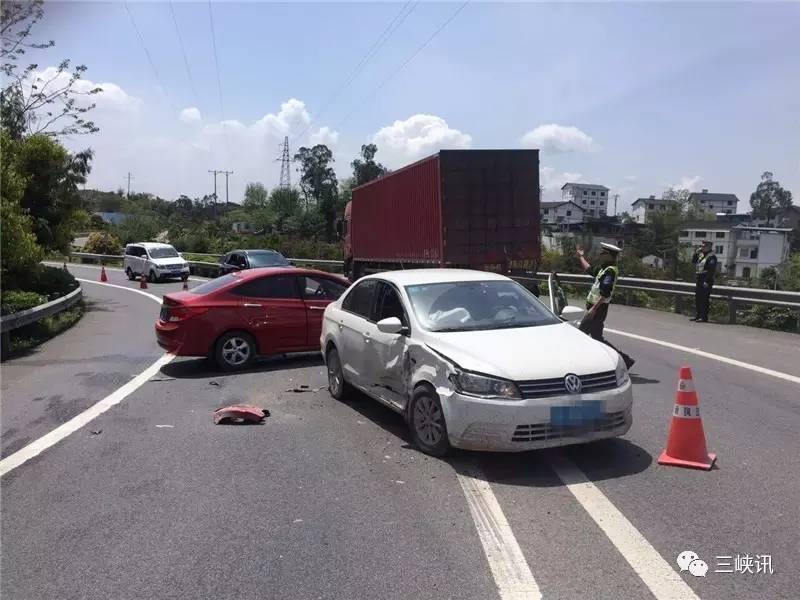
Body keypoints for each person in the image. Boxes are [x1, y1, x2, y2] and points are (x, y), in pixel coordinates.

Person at [576, 243, 635, 369]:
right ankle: (624, 360)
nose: (601, 255)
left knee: (581, 335)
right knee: (596, 337)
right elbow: (589, 269)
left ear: (610, 255)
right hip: (596, 308)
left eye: (603, 253)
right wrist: (581, 256)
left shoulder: (610, 271)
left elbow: (605, 293)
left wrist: (594, 309)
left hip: (598, 309)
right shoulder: (604, 268)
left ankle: (582, 363)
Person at [691, 240, 717, 323]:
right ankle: (698, 316)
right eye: (701, 246)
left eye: (703, 246)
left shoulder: (712, 257)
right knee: (698, 298)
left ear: (708, 247)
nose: (701, 247)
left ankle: (704, 317)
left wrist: (706, 281)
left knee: (704, 299)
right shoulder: (701, 255)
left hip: (707, 280)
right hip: (699, 278)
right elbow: (693, 261)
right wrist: (696, 253)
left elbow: (711, 270)